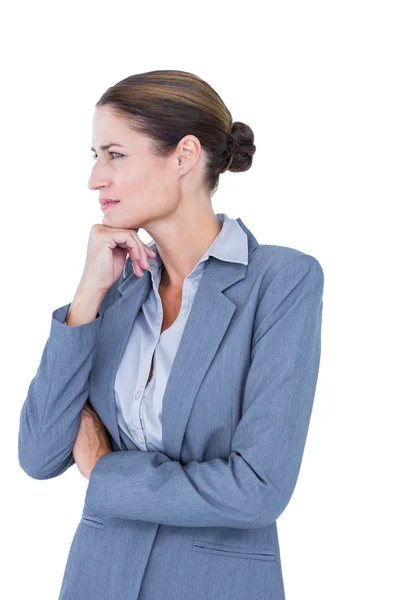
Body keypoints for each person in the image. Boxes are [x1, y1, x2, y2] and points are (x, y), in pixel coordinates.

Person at [18, 69, 324, 600]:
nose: (95, 179)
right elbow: (40, 454)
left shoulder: (281, 281)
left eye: (114, 154)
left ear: (184, 155)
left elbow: (257, 490)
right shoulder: (116, 289)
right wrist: (87, 295)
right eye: (94, 156)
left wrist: (104, 470)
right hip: (96, 582)